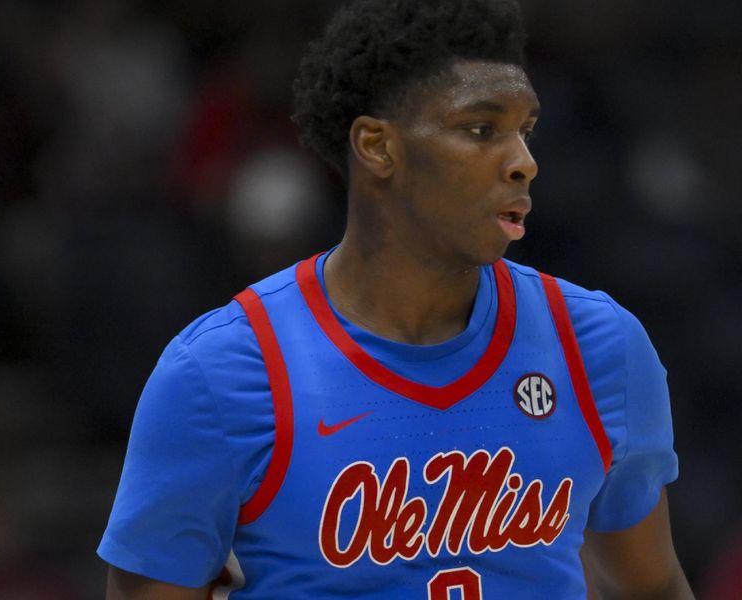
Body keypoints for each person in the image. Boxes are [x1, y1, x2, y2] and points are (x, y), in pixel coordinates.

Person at [98, 0, 694, 597]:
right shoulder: (219, 373)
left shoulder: (600, 346)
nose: (524, 163)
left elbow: (655, 587)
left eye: (525, 132)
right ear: (379, 147)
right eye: (481, 130)